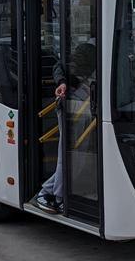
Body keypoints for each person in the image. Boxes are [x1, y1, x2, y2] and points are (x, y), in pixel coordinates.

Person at [35, 41, 96, 214]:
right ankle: (58, 196)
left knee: (76, 157)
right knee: (68, 155)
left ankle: (47, 192)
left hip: (84, 107)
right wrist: (62, 83)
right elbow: (59, 67)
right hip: (71, 106)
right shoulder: (84, 53)